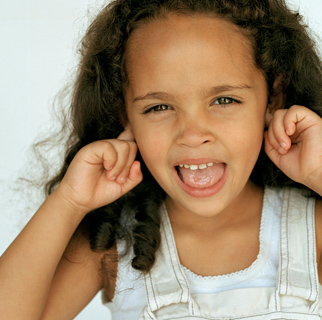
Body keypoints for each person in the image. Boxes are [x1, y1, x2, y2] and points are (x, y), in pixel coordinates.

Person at [1, 0, 322, 319]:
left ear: (273, 99)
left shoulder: (312, 231)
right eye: (159, 107)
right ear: (124, 114)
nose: (193, 134)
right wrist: (69, 202)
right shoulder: (113, 246)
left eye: (224, 100)